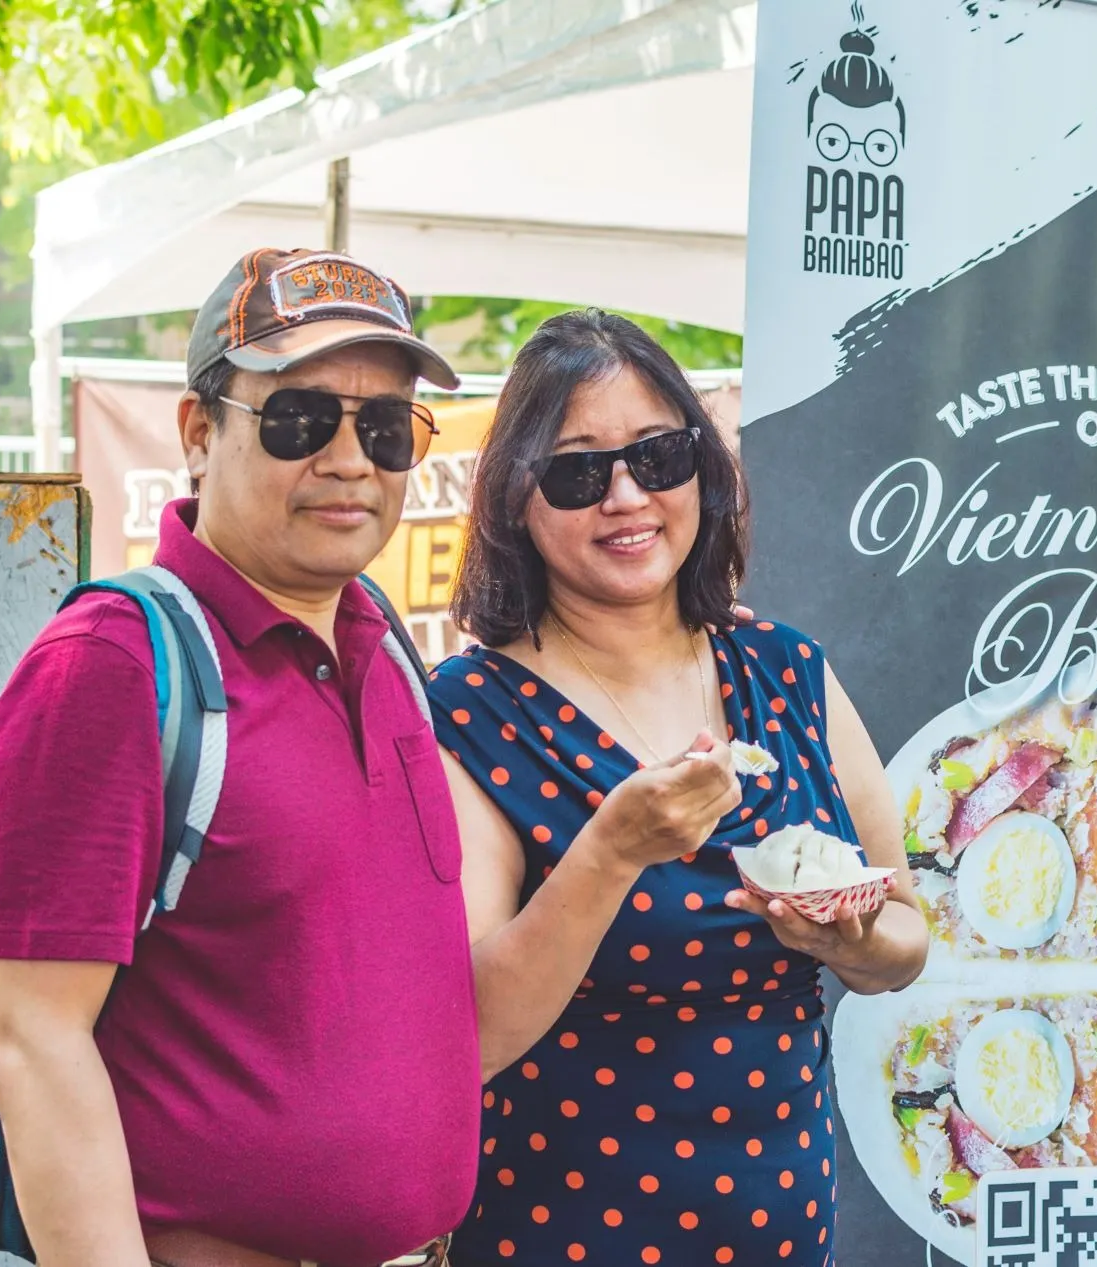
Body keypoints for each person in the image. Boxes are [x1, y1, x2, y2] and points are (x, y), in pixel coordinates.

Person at [0, 247, 478, 1267]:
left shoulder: (383, 646)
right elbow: (30, 1038)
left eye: (385, 428)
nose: (350, 461)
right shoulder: (108, 665)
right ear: (199, 434)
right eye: (299, 419)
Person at [428, 309, 930, 1265]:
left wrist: (853, 940)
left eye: (658, 457)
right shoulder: (470, 710)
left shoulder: (785, 669)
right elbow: (469, 1033)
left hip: (786, 1235)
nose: (626, 496)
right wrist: (612, 853)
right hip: (565, 1235)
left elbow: (906, 936)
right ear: (515, 499)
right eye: (578, 473)